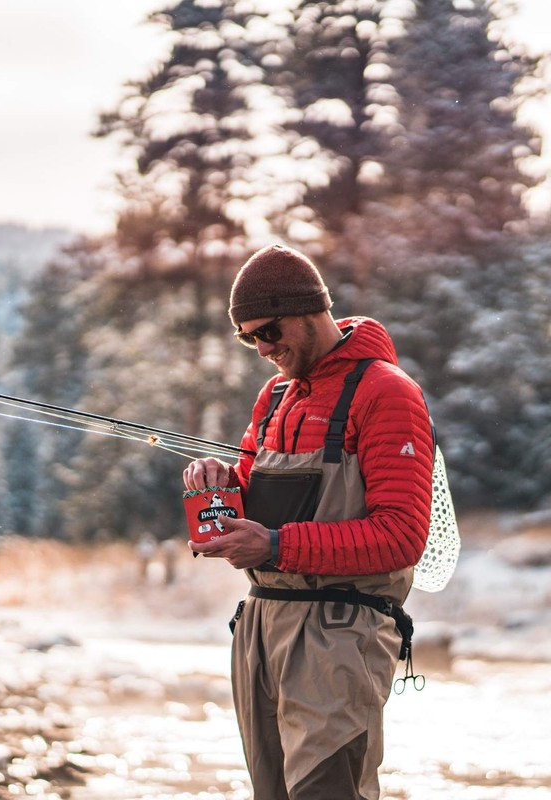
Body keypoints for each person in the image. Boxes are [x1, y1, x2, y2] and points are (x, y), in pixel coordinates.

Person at [183, 244, 434, 800]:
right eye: (250, 338)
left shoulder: (387, 394)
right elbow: (254, 496)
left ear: (311, 309)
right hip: (261, 628)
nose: (264, 349)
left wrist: (275, 545)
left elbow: (401, 535)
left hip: (340, 636)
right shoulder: (273, 398)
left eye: (270, 332)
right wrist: (220, 485)